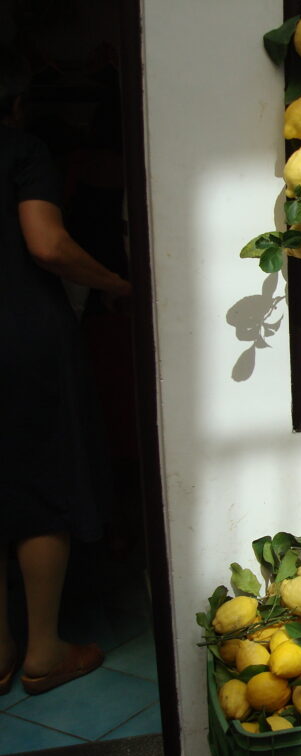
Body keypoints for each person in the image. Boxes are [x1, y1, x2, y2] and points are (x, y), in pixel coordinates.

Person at [0, 50, 131, 695]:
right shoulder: (21, 151)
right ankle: (44, 651)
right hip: (20, 336)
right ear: (17, 104)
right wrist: (114, 282)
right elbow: (46, 243)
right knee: (41, 483)